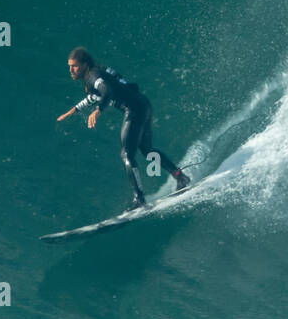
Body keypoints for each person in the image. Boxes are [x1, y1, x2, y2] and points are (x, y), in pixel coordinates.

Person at [57, 47, 191, 211]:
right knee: (147, 150)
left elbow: (106, 91)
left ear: (84, 65)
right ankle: (180, 177)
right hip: (143, 104)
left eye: (74, 66)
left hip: (134, 110)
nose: (71, 70)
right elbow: (98, 94)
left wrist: (98, 110)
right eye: (69, 66)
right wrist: (74, 110)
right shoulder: (97, 71)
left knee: (126, 154)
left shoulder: (94, 77)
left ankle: (139, 199)